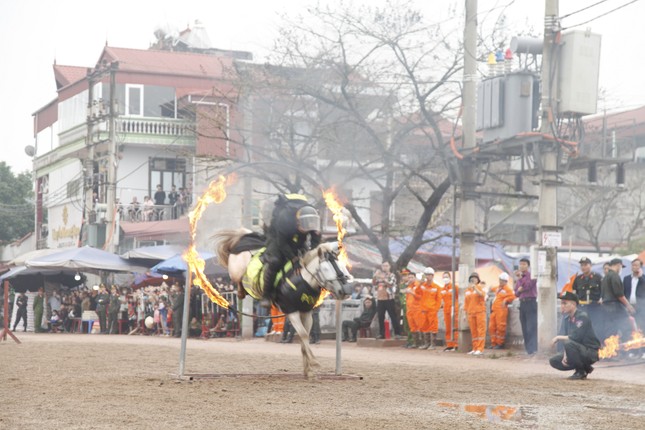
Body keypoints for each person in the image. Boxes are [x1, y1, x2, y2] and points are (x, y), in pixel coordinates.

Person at [261, 194, 322, 305]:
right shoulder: (285, 219)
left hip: (298, 239)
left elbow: (315, 240)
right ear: (297, 222)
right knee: (276, 261)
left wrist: (310, 253)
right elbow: (282, 243)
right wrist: (294, 259)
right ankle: (266, 295)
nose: (306, 230)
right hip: (277, 238)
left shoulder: (312, 218)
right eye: (303, 227)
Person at [550, 292, 601, 380]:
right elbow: (568, 339)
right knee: (554, 360)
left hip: (590, 352)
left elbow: (575, 337)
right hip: (577, 349)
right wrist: (566, 356)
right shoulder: (567, 319)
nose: (562, 306)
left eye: (565, 303)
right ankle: (585, 367)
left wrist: (558, 337)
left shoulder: (582, 317)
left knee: (569, 343)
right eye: (561, 303)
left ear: (573, 304)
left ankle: (581, 371)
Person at [601, 258, 634, 345]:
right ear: (618, 265)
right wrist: (628, 306)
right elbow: (619, 294)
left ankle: (611, 352)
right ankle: (626, 350)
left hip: (606, 307)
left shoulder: (606, 276)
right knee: (627, 327)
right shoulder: (615, 276)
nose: (621, 269)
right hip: (615, 307)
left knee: (610, 331)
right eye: (621, 267)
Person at [567, 257, 602, 335]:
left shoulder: (598, 277)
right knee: (581, 325)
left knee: (595, 326)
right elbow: (574, 292)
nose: (583, 267)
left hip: (594, 307)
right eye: (582, 265)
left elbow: (603, 290)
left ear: (590, 265)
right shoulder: (578, 279)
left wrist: (601, 298)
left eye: (586, 265)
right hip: (582, 307)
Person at [514, 257, 538, 355]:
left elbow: (527, 286)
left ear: (528, 265)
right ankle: (528, 349)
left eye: (524, 264)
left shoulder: (531, 275)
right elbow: (516, 292)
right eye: (520, 264)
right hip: (522, 303)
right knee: (524, 326)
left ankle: (533, 348)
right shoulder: (520, 277)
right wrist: (519, 285)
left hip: (530, 302)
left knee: (531, 326)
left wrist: (520, 280)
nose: (522, 266)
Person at [372, 261, 402, 339]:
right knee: (380, 316)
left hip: (389, 298)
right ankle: (382, 333)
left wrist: (383, 278)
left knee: (393, 316)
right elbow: (374, 283)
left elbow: (390, 284)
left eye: (386, 266)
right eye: (383, 266)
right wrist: (375, 276)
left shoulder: (392, 275)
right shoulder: (379, 275)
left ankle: (397, 333)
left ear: (389, 267)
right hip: (380, 298)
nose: (385, 267)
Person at [488, 272, 516, 350]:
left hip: (501, 310)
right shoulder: (498, 288)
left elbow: (513, 296)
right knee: (492, 327)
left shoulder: (508, 289)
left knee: (500, 327)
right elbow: (492, 288)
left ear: (505, 281)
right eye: (500, 280)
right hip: (494, 310)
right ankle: (493, 343)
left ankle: (500, 343)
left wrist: (506, 300)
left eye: (502, 280)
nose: (500, 282)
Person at [419, 267, 441, 349]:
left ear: (432, 276)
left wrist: (436, 309)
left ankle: (433, 344)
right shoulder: (422, 286)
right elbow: (417, 293)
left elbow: (439, 300)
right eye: (426, 275)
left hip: (432, 310)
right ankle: (426, 343)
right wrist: (420, 283)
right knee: (425, 327)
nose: (427, 277)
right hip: (423, 310)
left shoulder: (437, 287)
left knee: (433, 327)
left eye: (429, 275)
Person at [464, 272, 486, 355]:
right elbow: (466, 303)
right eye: (471, 279)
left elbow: (482, 295)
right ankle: (475, 348)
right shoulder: (467, 291)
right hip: (471, 313)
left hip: (480, 312)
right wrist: (465, 314)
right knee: (473, 331)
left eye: (475, 278)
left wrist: (475, 288)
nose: (473, 280)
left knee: (480, 330)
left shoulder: (480, 288)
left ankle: (480, 349)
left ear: (478, 280)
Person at [401, 271, 422, 348]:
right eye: (409, 277)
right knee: (412, 326)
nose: (410, 279)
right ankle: (415, 343)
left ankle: (421, 342)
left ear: (415, 278)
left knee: (418, 326)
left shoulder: (418, 286)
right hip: (409, 309)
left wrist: (412, 293)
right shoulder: (409, 286)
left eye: (412, 277)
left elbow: (420, 297)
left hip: (417, 309)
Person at [440, 272, 459, 352]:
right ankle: (449, 345)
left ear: (450, 278)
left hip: (454, 310)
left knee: (455, 327)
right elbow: (442, 300)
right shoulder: (443, 289)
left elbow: (459, 297)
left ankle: (456, 344)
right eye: (444, 277)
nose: (445, 278)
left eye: (447, 277)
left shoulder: (455, 287)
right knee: (448, 328)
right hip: (446, 310)